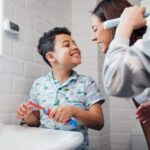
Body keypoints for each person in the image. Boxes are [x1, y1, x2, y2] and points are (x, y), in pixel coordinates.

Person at [16, 27, 105, 150]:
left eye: (75, 43)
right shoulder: (38, 85)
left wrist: (74, 111)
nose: (75, 47)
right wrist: (27, 115)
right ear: (51, 57)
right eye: (67, 45)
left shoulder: (87, 83)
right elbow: (35, 122)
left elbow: (99, 123)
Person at [91, 0, 150, 148]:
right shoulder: (134, 61)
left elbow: (114, 82)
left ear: (114, 23)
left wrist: (124, 26)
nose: (93, 37)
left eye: (95, 29)